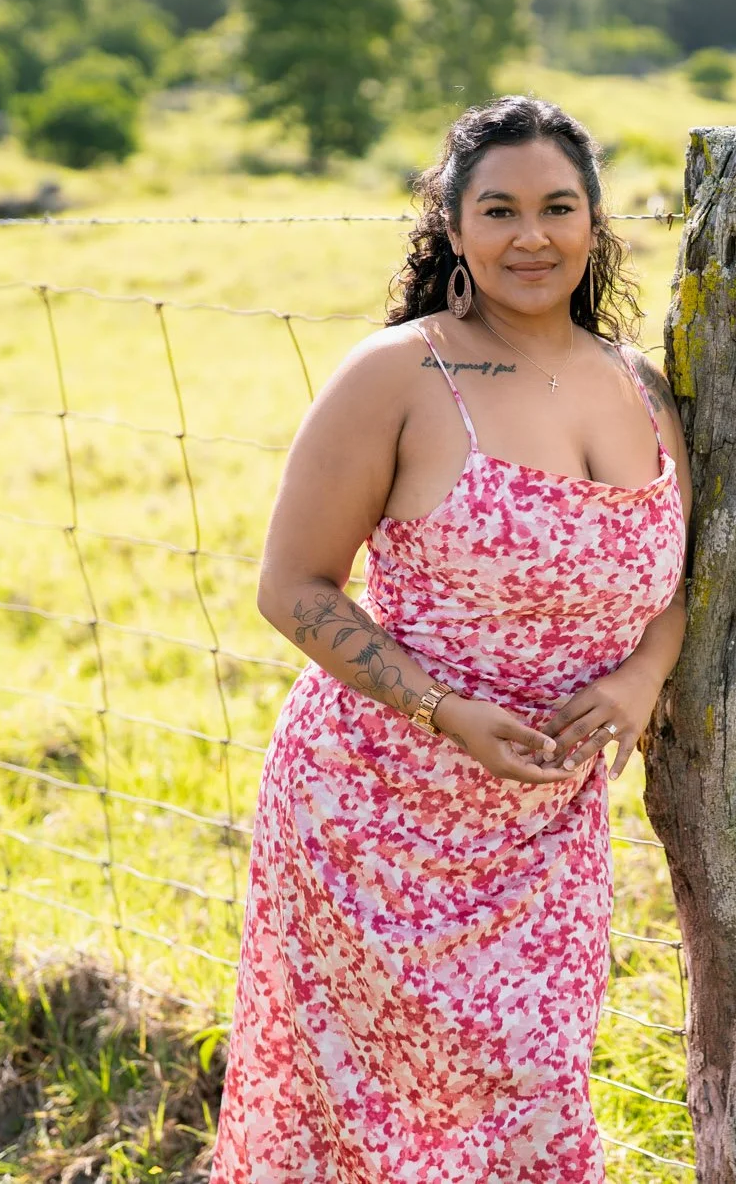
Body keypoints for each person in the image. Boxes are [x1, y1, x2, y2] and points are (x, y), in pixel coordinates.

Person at [210, 95, 692, 1182]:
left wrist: (641, 678)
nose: (533, 235)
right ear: (453, 226)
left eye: (559, 207)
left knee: (531, 1092)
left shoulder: (643, 390)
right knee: (355, 1124)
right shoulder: (399, 374)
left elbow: (677, 582)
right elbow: (293, 587)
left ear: (595, 222)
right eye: (501, 209)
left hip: (544, 832)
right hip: (370, 822)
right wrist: (443, 710)